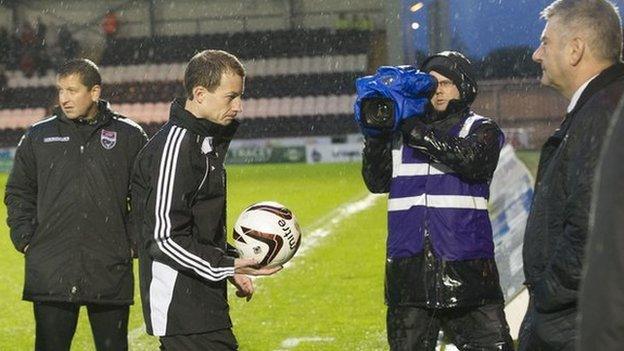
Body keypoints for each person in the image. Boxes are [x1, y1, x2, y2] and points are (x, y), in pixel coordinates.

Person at [360, 51, 513, 350]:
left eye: (446, 83)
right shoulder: (399, 134)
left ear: (464, 87)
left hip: (469, 276)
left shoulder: (481, 128)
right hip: (408, 277)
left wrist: (412, 128)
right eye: (431, 84)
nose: (438, 90)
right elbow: (376, 182)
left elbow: (473, 160)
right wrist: (376, 138)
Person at [130, 49, 280, 350]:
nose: (238, 107)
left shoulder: (202, 144)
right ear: (200, 94)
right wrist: (226, 265)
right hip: (182, 309)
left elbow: (197, 228)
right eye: (231, 97)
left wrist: (233, 261)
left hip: (201, 306)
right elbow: (164, 239)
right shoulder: (177, 147)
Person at [4, 58, 148, 350]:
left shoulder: (129, 136)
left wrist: (132, 241)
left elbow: (146, 196)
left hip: (109, 266)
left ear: (94, 92)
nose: (64, 98)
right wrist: (26, 238)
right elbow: (19, 192)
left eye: (72, 90)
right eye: (60, 90)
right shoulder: (38, 136)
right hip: (51, 268)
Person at [518, 0, 624, 349]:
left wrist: (547, 295)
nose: (536, 54)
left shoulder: (606, 111)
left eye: (545, 42)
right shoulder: (601, 104)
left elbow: (591, 228)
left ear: (576, 49)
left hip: (572, 326)